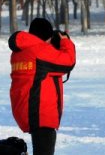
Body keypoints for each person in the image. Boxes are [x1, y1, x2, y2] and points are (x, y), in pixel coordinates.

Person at [9, 17, 76, 155]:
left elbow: (42, 69)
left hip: (26, 107)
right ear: (47, 36)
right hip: (40, 112)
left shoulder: (20, 51)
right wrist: (65, 42)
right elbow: (68, 62)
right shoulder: (39, 51)